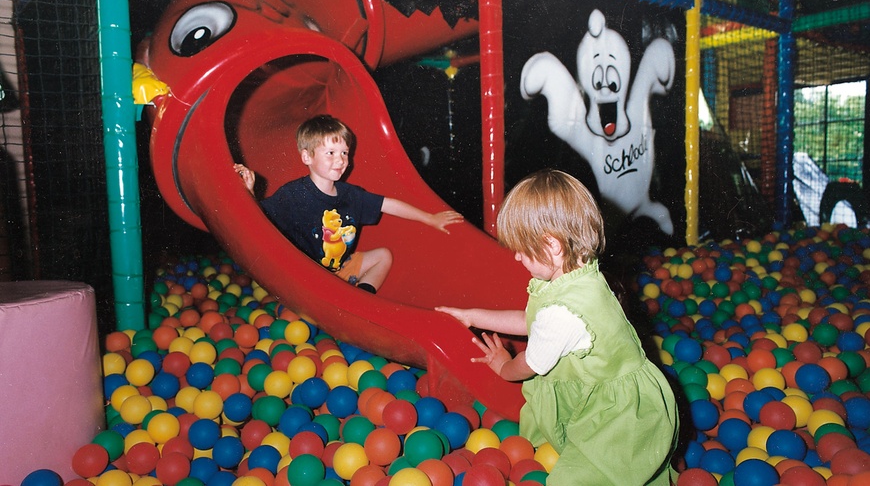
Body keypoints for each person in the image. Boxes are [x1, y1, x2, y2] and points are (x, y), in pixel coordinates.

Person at [436, 169, 679, 485]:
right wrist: (472, 316)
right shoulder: (584, 273)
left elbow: (529, 364)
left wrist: (502, 365)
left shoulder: (562, 312)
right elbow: (533, 322)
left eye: (522, 249)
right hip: (624, 396)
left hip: (620, 419)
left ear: (552, 246)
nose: (518, 257)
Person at [234, 114, 463, 294]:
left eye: (344, 152)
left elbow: (387, 204)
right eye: (330, 153)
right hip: (306, 280)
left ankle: (362, 295)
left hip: (339, 271)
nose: (340, 160)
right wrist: (249, 192)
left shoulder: (350, 194)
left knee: (384, 255)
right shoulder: (294, 195)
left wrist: (430, 218)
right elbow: (259, 222)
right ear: (307, 157)